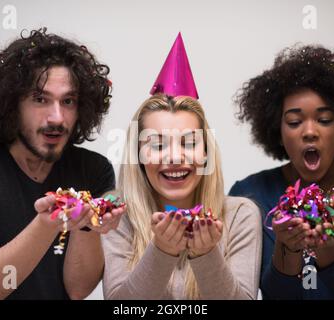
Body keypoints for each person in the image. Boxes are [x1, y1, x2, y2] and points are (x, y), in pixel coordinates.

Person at [0, 28, 125, 300]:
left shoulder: (93, 170)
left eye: (68, 101)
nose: (57, 117)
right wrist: (48, 223)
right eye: (40, 99)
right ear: (12, 104)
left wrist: (88, 224)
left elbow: (78, 289)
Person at [102, 33, 262, 300]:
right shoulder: (116, 215)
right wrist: (162, 250)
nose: (175, 157)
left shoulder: (239, 215)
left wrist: (207, 254)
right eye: (157, 144)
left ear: (206, 152)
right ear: (138, 155)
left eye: (189, 143)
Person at [229, 44, 334, 299]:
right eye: (294, 122)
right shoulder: (249, 195)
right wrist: (287, 249)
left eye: (324, 120)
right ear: (277, 131)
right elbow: (276, 294)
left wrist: (326, 246)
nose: (310, 131)